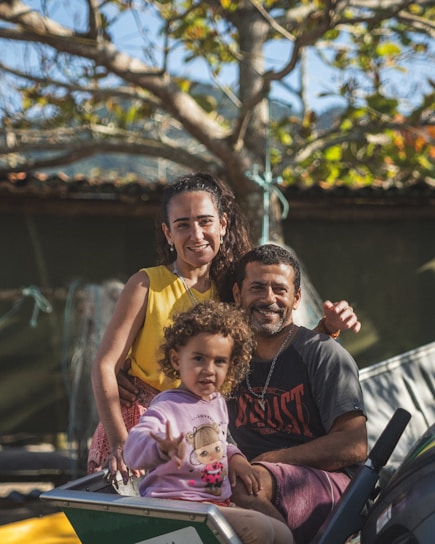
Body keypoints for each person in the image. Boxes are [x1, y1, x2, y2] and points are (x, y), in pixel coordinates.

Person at [90, 170, 361, 482]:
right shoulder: (146, 284)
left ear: (223, 224)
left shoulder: (237, 291)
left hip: (204, 432)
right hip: (143, 431)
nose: (196, 234)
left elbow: (276, 351)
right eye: (182, 224)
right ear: (168, 233)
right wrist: (120, 443)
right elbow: (104, 366)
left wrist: (327, 328)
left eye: (205, 221)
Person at [226, 244, 368, 543]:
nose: (269, 299)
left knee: (244, 485)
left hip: (330, 486)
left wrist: (272, 459)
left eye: (280, 289)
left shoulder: (322, 354)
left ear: (296, 298)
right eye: (257, 287)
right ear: (238, 294)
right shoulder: (225, 359)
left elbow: (354, 445)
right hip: (253, 482)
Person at [123, 300, 294, 544]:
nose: (209, 369)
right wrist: (161, 447)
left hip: (212, 504)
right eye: (199, 359)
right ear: (175, 360)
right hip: (175, 508)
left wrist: (235, 457)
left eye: (219, 361)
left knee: (283, 534)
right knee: (259, 531)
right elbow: (133, 449)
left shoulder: (216, 402)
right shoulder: (166, 406)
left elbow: (218, 441)